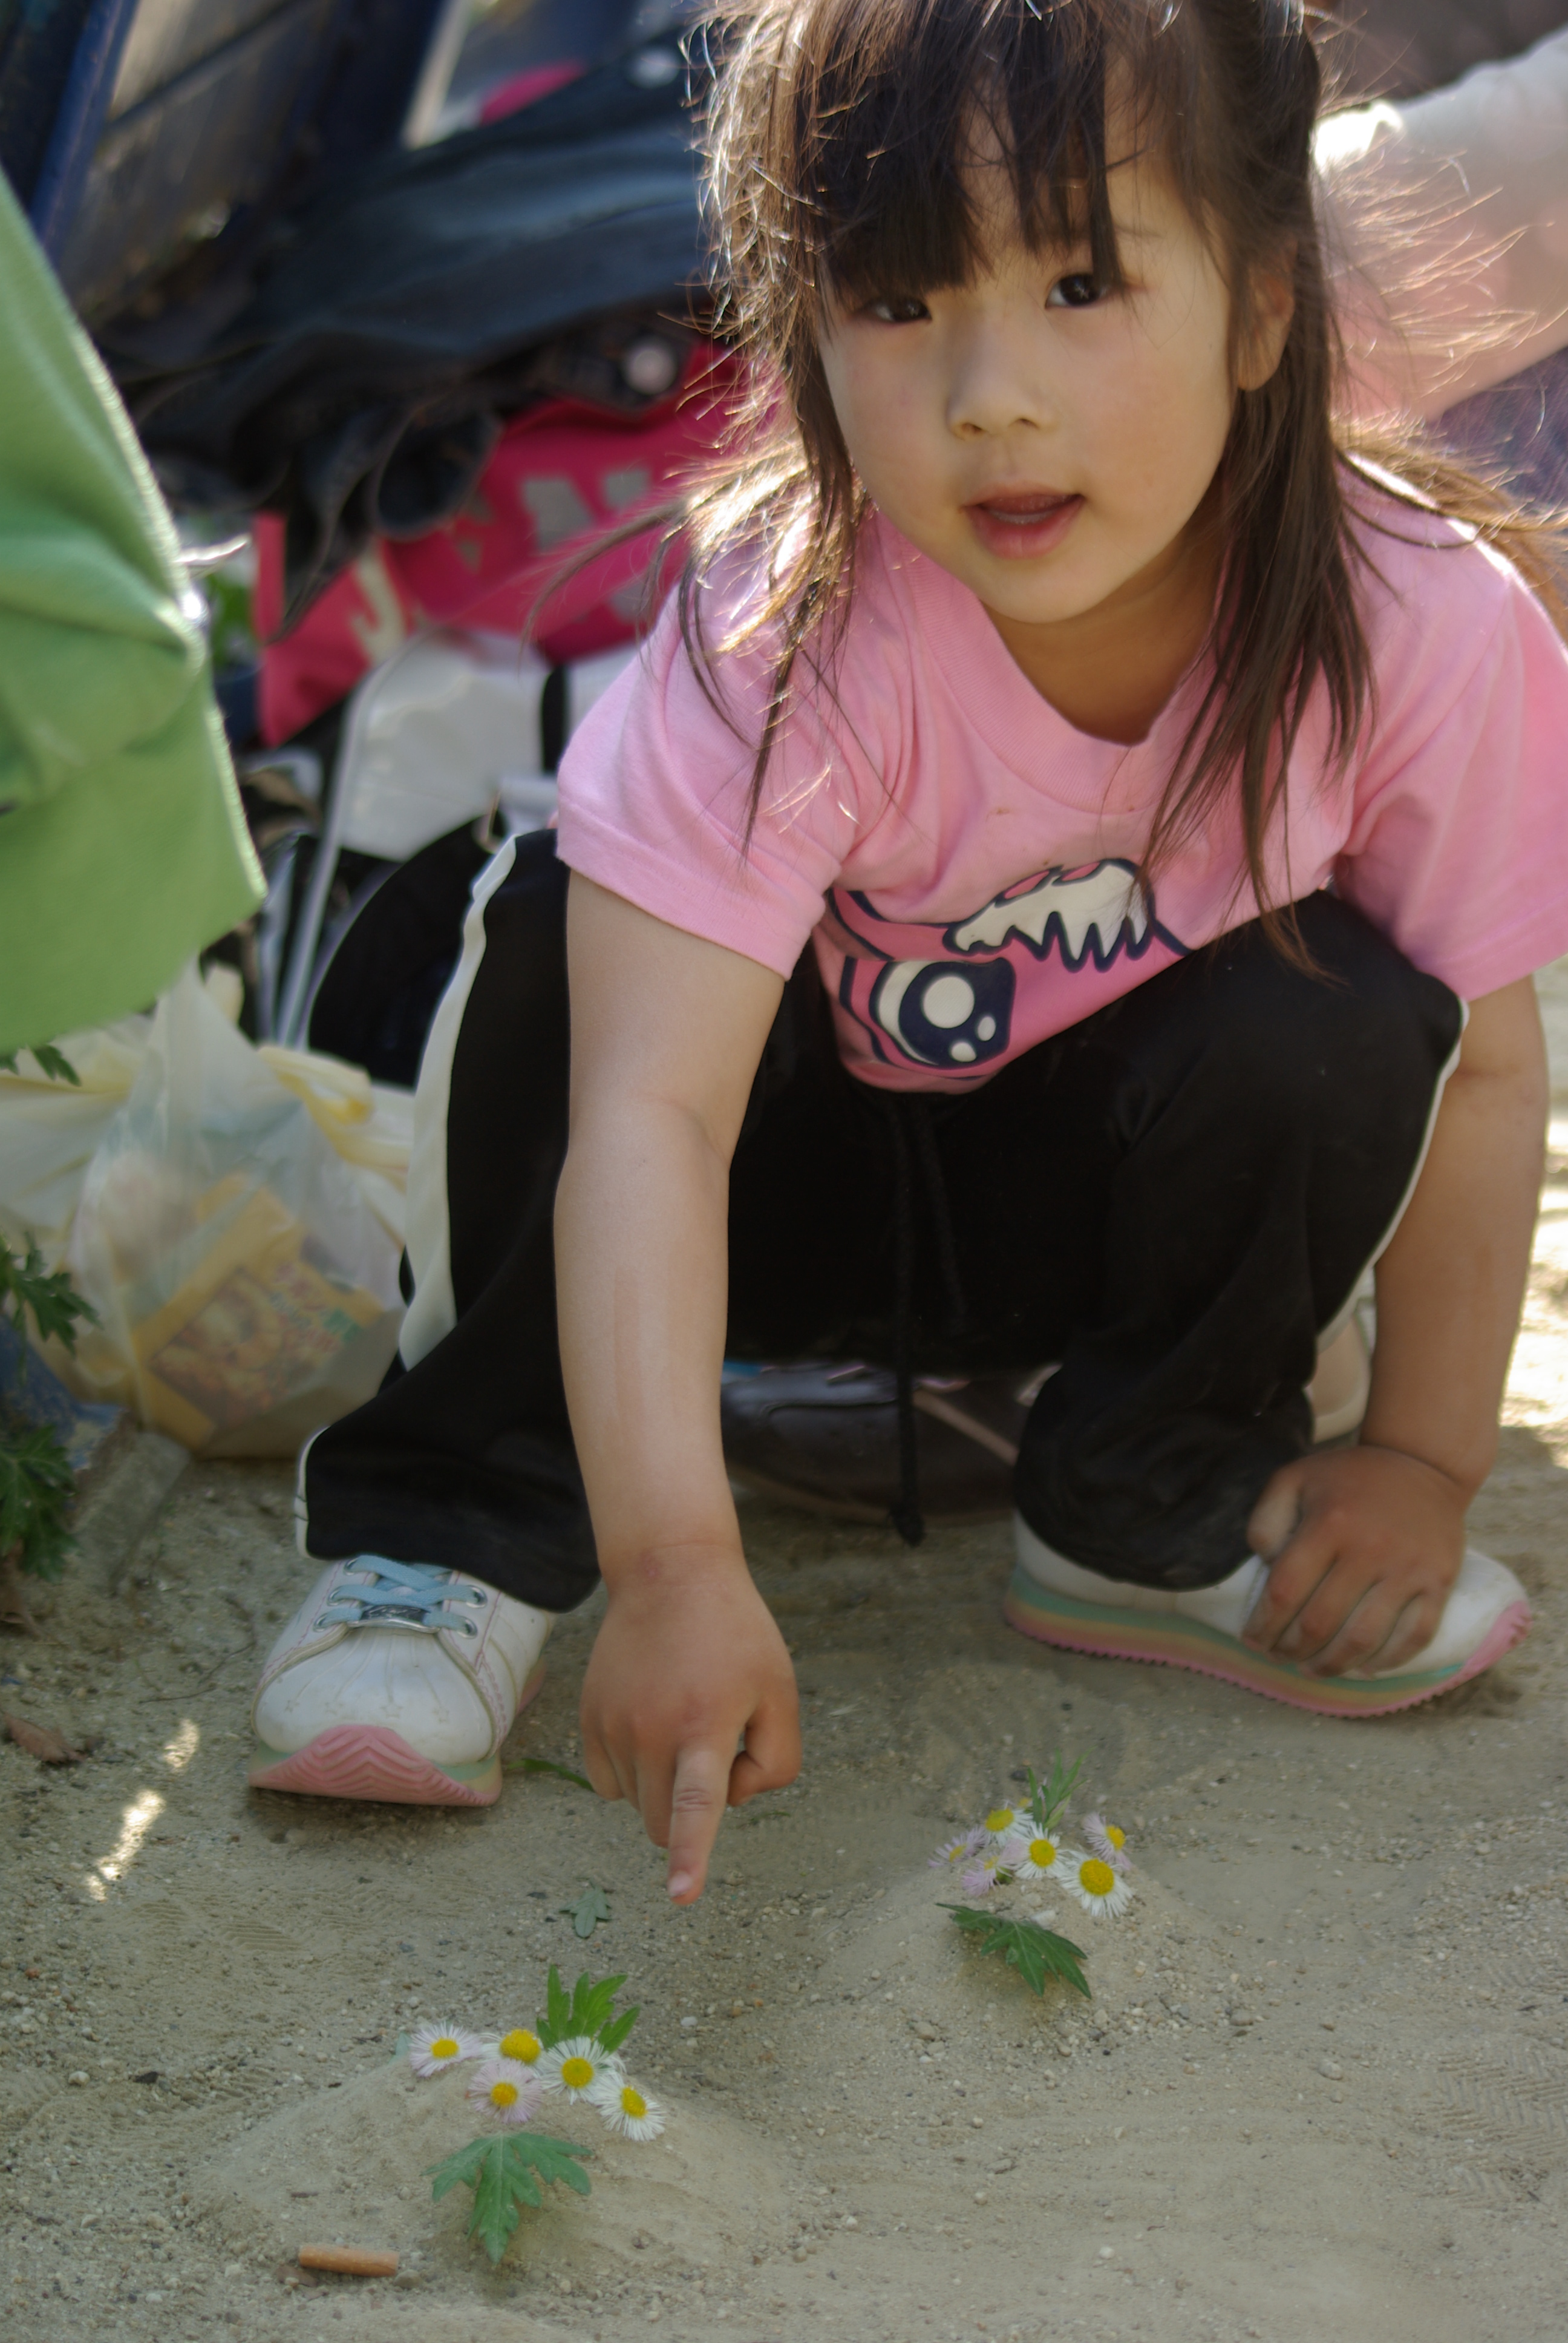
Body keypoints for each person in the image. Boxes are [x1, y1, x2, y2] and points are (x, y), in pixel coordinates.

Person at [250, 0, 1568, 1909]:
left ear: (1264, 305)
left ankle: (1150, 1493)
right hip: (764, 1204)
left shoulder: (1419, 628)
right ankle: (463, 1525)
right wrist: (680, 1572)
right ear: (801, 333)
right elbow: (652, 1123)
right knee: (554, 934)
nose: (989, 395)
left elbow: (1492, 1068)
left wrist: (1426, 1463)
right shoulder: (784, 636)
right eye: (895, 299)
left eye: (1082, 283)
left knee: (1357, 1013)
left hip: (1066, 1228)